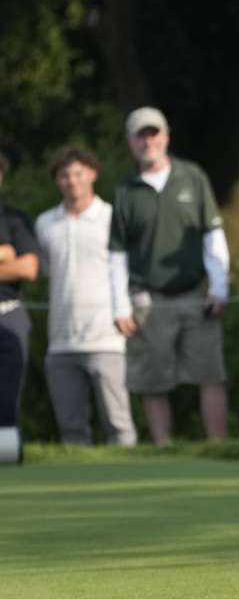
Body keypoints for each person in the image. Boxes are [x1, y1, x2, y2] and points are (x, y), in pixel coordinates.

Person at [109, 107, 229, 445]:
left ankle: (220, 447)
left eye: (154, 133)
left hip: (195, 294)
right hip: (148, 298)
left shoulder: (192, 176)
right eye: (140, 135)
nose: (148, 141)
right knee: (152, 380)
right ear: (131, 142)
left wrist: (220, 286)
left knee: (210, 374)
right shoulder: (125, 189)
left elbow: (212, 235)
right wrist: (119, 306)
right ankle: (164, 447)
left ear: (166, 136)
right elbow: (116, 254)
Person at [36, 147, 136, 446]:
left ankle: (131, 485)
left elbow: (126, 271)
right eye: (64, 175)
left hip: (106, 337)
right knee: (72, 430)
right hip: (61, 341)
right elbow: (45, 271)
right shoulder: (45, 224)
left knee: (119, 425)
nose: (72, 181)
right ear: (57, 181)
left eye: (78, 173)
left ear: (92, 174)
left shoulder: (111, 217)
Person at [0, 150, 39, 450]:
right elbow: (11, 258)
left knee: (7, 396)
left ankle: (7, 454)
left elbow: (27, 267)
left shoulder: (14, 218)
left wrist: (11, 257)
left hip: (8, 315)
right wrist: (3, 254)